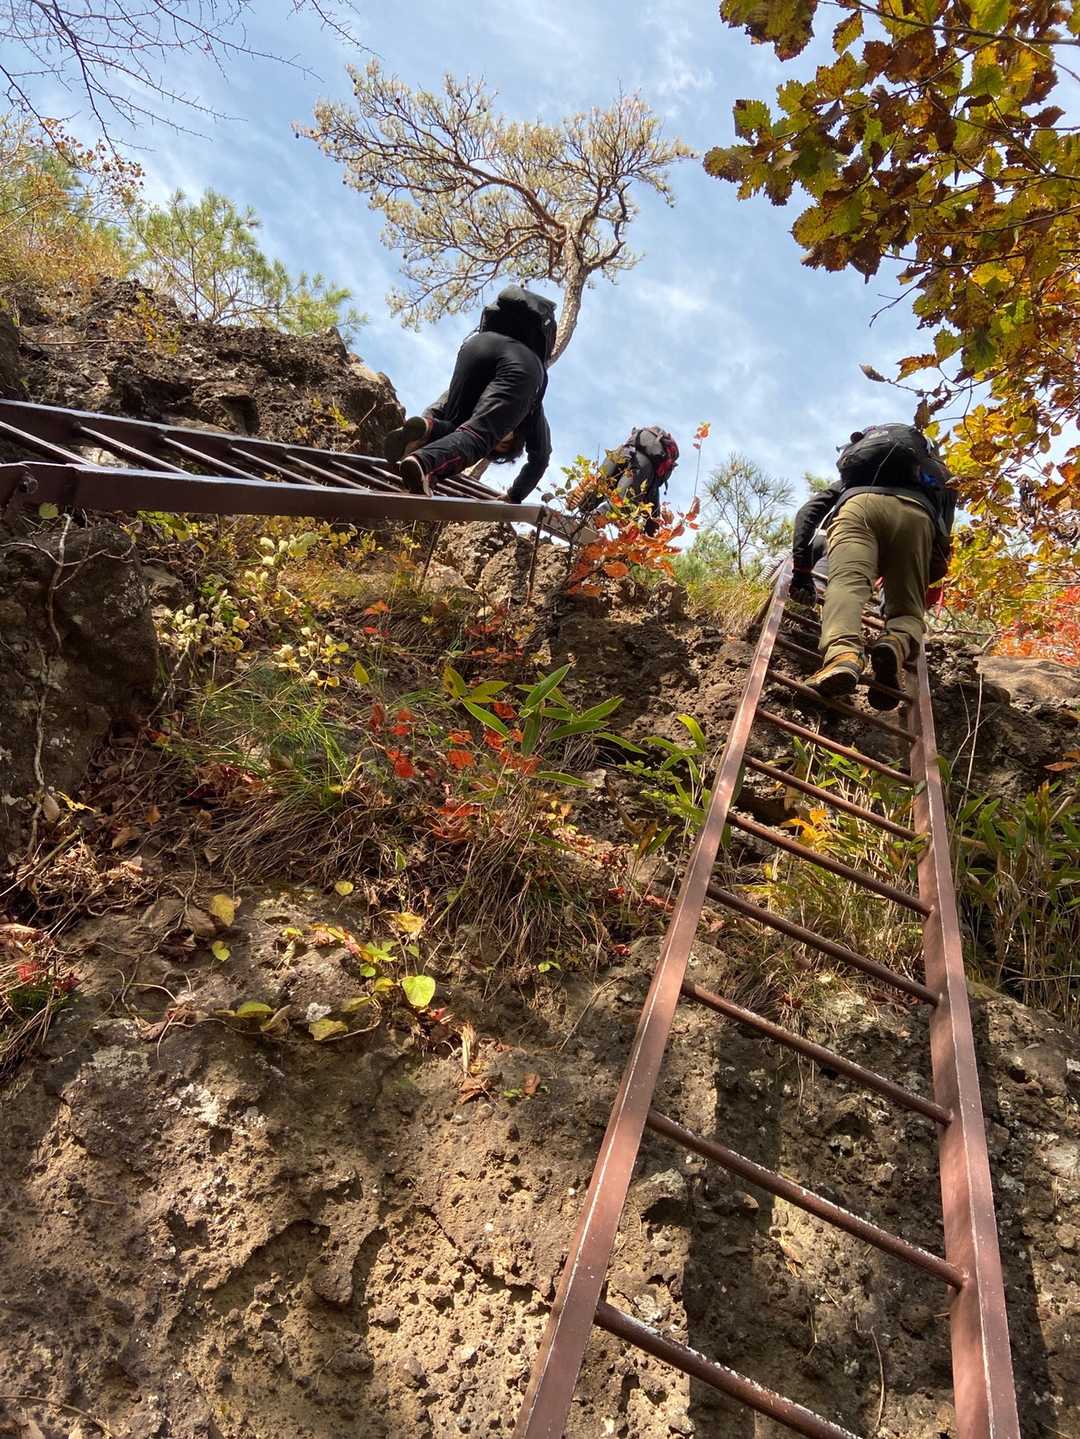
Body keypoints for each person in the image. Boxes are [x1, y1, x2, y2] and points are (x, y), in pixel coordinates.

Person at [789, 423, 956, 709]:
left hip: (859, 506)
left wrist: (802, 570)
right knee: (907, 612)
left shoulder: (862, 471)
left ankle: (843, 656)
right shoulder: (937, 478)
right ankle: (894, 644)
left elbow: (808, 512)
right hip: (918, 518)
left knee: (846, 585)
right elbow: (944, 541)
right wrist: (918, 577)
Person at [383, 285, 555, 500]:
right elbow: (540, 458)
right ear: (519, 434)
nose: (498, 438)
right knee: (479, 438)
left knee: (458, 428)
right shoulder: (532, 410)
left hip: (477, 345)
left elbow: (441, 406)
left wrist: (424, 429)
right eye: (504, 441)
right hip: (524, 362)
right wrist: (515, 495)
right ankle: (425, 464)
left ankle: (424, 445)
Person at [574, 425, 680, 535]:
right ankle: (591, 522)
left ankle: (577, 515)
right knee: (623, 505)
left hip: (620, 453)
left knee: (596, 488)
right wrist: (650, 537)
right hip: (640, 466)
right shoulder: (652, 480)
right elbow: (653, 524)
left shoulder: (633, 446)